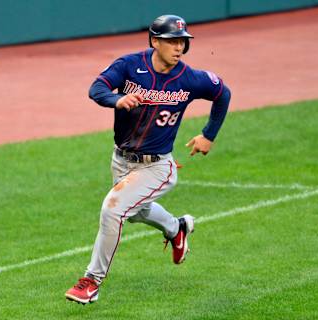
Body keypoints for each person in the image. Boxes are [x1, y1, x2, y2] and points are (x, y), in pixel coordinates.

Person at [65, 14, 231, 304]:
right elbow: (97, 88)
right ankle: (176, 228)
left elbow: (223, 93)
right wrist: (115, 99)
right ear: (155, 41)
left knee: (113, 209)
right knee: (136, 211)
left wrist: (209, 135)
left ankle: (91, 281)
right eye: (171, 41)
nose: (178, 47)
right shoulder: (130, 66)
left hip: (157, 167)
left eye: (182, 41)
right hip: (121, 160)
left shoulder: (190, 78)